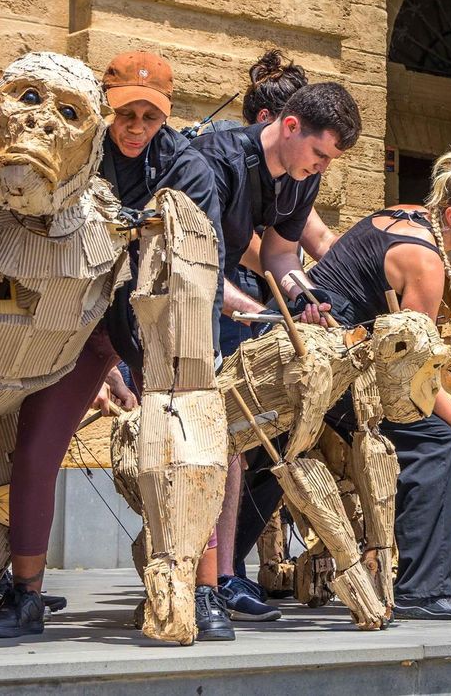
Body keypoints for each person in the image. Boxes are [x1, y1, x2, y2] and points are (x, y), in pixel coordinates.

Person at [0, 51, 227, 638]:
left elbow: (199, 273)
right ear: (104, 106)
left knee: (191, 449)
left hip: (159, 320)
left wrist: (201, 358)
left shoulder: (188, 168)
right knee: (39, 445)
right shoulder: (77, 145)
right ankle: (27, 594)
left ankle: (206, 592)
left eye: (150, 115)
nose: (136, 126)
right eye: (125, 113)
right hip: (81, 315)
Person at [307, 150, 451, 621]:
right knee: (433, 436)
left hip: (320, 353)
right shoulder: (427, 263)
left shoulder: (398, 215)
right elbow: (415, 377)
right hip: (327, 369)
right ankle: (423, 591)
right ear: (450, 215)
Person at [191, 78, 360, 623]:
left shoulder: (299, 177)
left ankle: (224, 576)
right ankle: (196, 579)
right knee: (199, 442)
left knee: (235, 434)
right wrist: (256, 310)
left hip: (221, 297)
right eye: (318, 154)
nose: (321, 168)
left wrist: (304, 298)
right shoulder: (215, 159)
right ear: (289, 126)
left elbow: (283, 258)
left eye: (329, 160)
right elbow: (199, 264)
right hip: (170, 294)